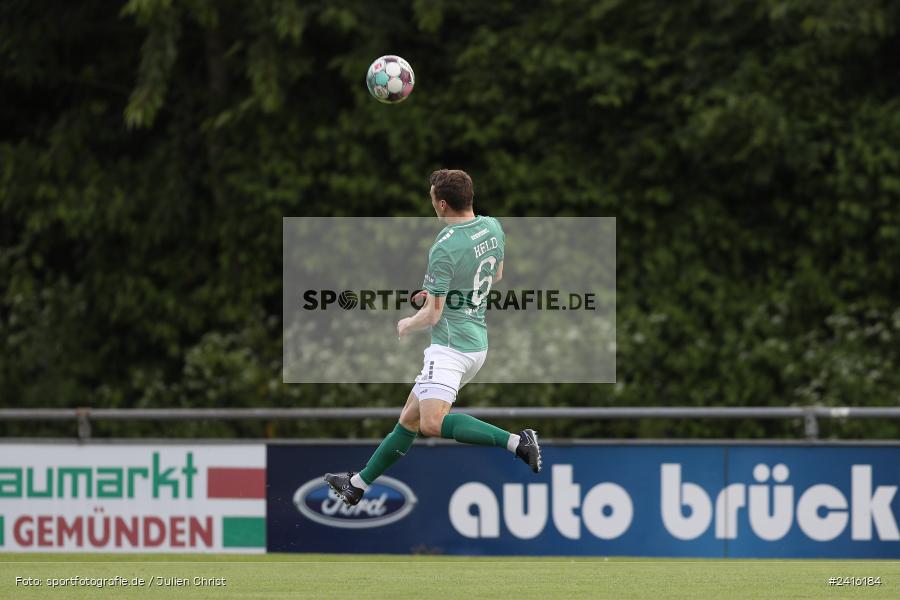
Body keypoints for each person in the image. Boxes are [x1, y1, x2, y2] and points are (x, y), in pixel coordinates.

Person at [324, 169, 542, 506]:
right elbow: (495, 276)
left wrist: (409, 322)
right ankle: (357, 485)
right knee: (409, 420)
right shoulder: (492, 226)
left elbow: (434, 316)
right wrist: (435, 294)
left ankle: (517, 442)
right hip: (476, 343)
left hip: (450, 348)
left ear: (441, 204)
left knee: (431, 423)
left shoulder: (445, 246)